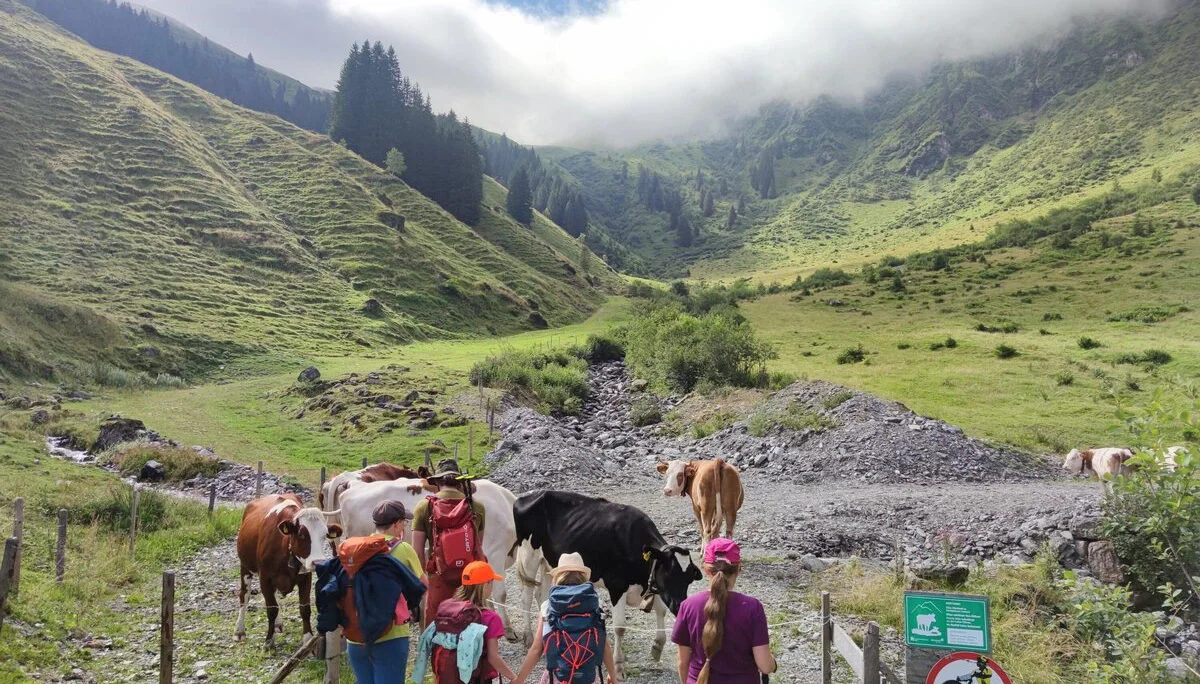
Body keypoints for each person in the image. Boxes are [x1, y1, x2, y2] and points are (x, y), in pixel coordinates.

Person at [670, 539, 776, 684]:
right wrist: (773, 665)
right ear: (738, 569)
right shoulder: (752, 607)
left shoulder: (688, 606)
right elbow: (764, 665)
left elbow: (683, 662)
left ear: (705, 569)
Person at [344, 500, 425, 684]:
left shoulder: (355, 550)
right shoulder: (403, 548)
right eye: (404, 522)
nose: (404, 526)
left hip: (356, 635)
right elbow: (423, 585)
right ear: (396, 523)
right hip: (392, 634)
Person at [514, 553, 618, 684]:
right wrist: (612, 677)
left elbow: (536, 649)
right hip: (587, 676)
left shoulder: (548, 606)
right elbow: (604, 645)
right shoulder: (595, 604)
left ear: (558, 576)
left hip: (558, 677)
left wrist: (519, 679)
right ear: (583, 576)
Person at [411, 458, 487, 626]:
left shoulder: (424, 507)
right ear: (459, 482)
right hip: (469, 578)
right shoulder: (477, 507)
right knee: (469, 623)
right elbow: (478, 545)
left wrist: (424, 580)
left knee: (436, 626)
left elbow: (416, 551)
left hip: (438, 577)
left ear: (437, 482)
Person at [451, 560, 519, 683]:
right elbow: (493, 657)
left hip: (450, 675)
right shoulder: (490, 618)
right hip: (477, 677)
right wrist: (514, 677)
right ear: (486, 585)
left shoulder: (450, 609)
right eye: (491, 583)